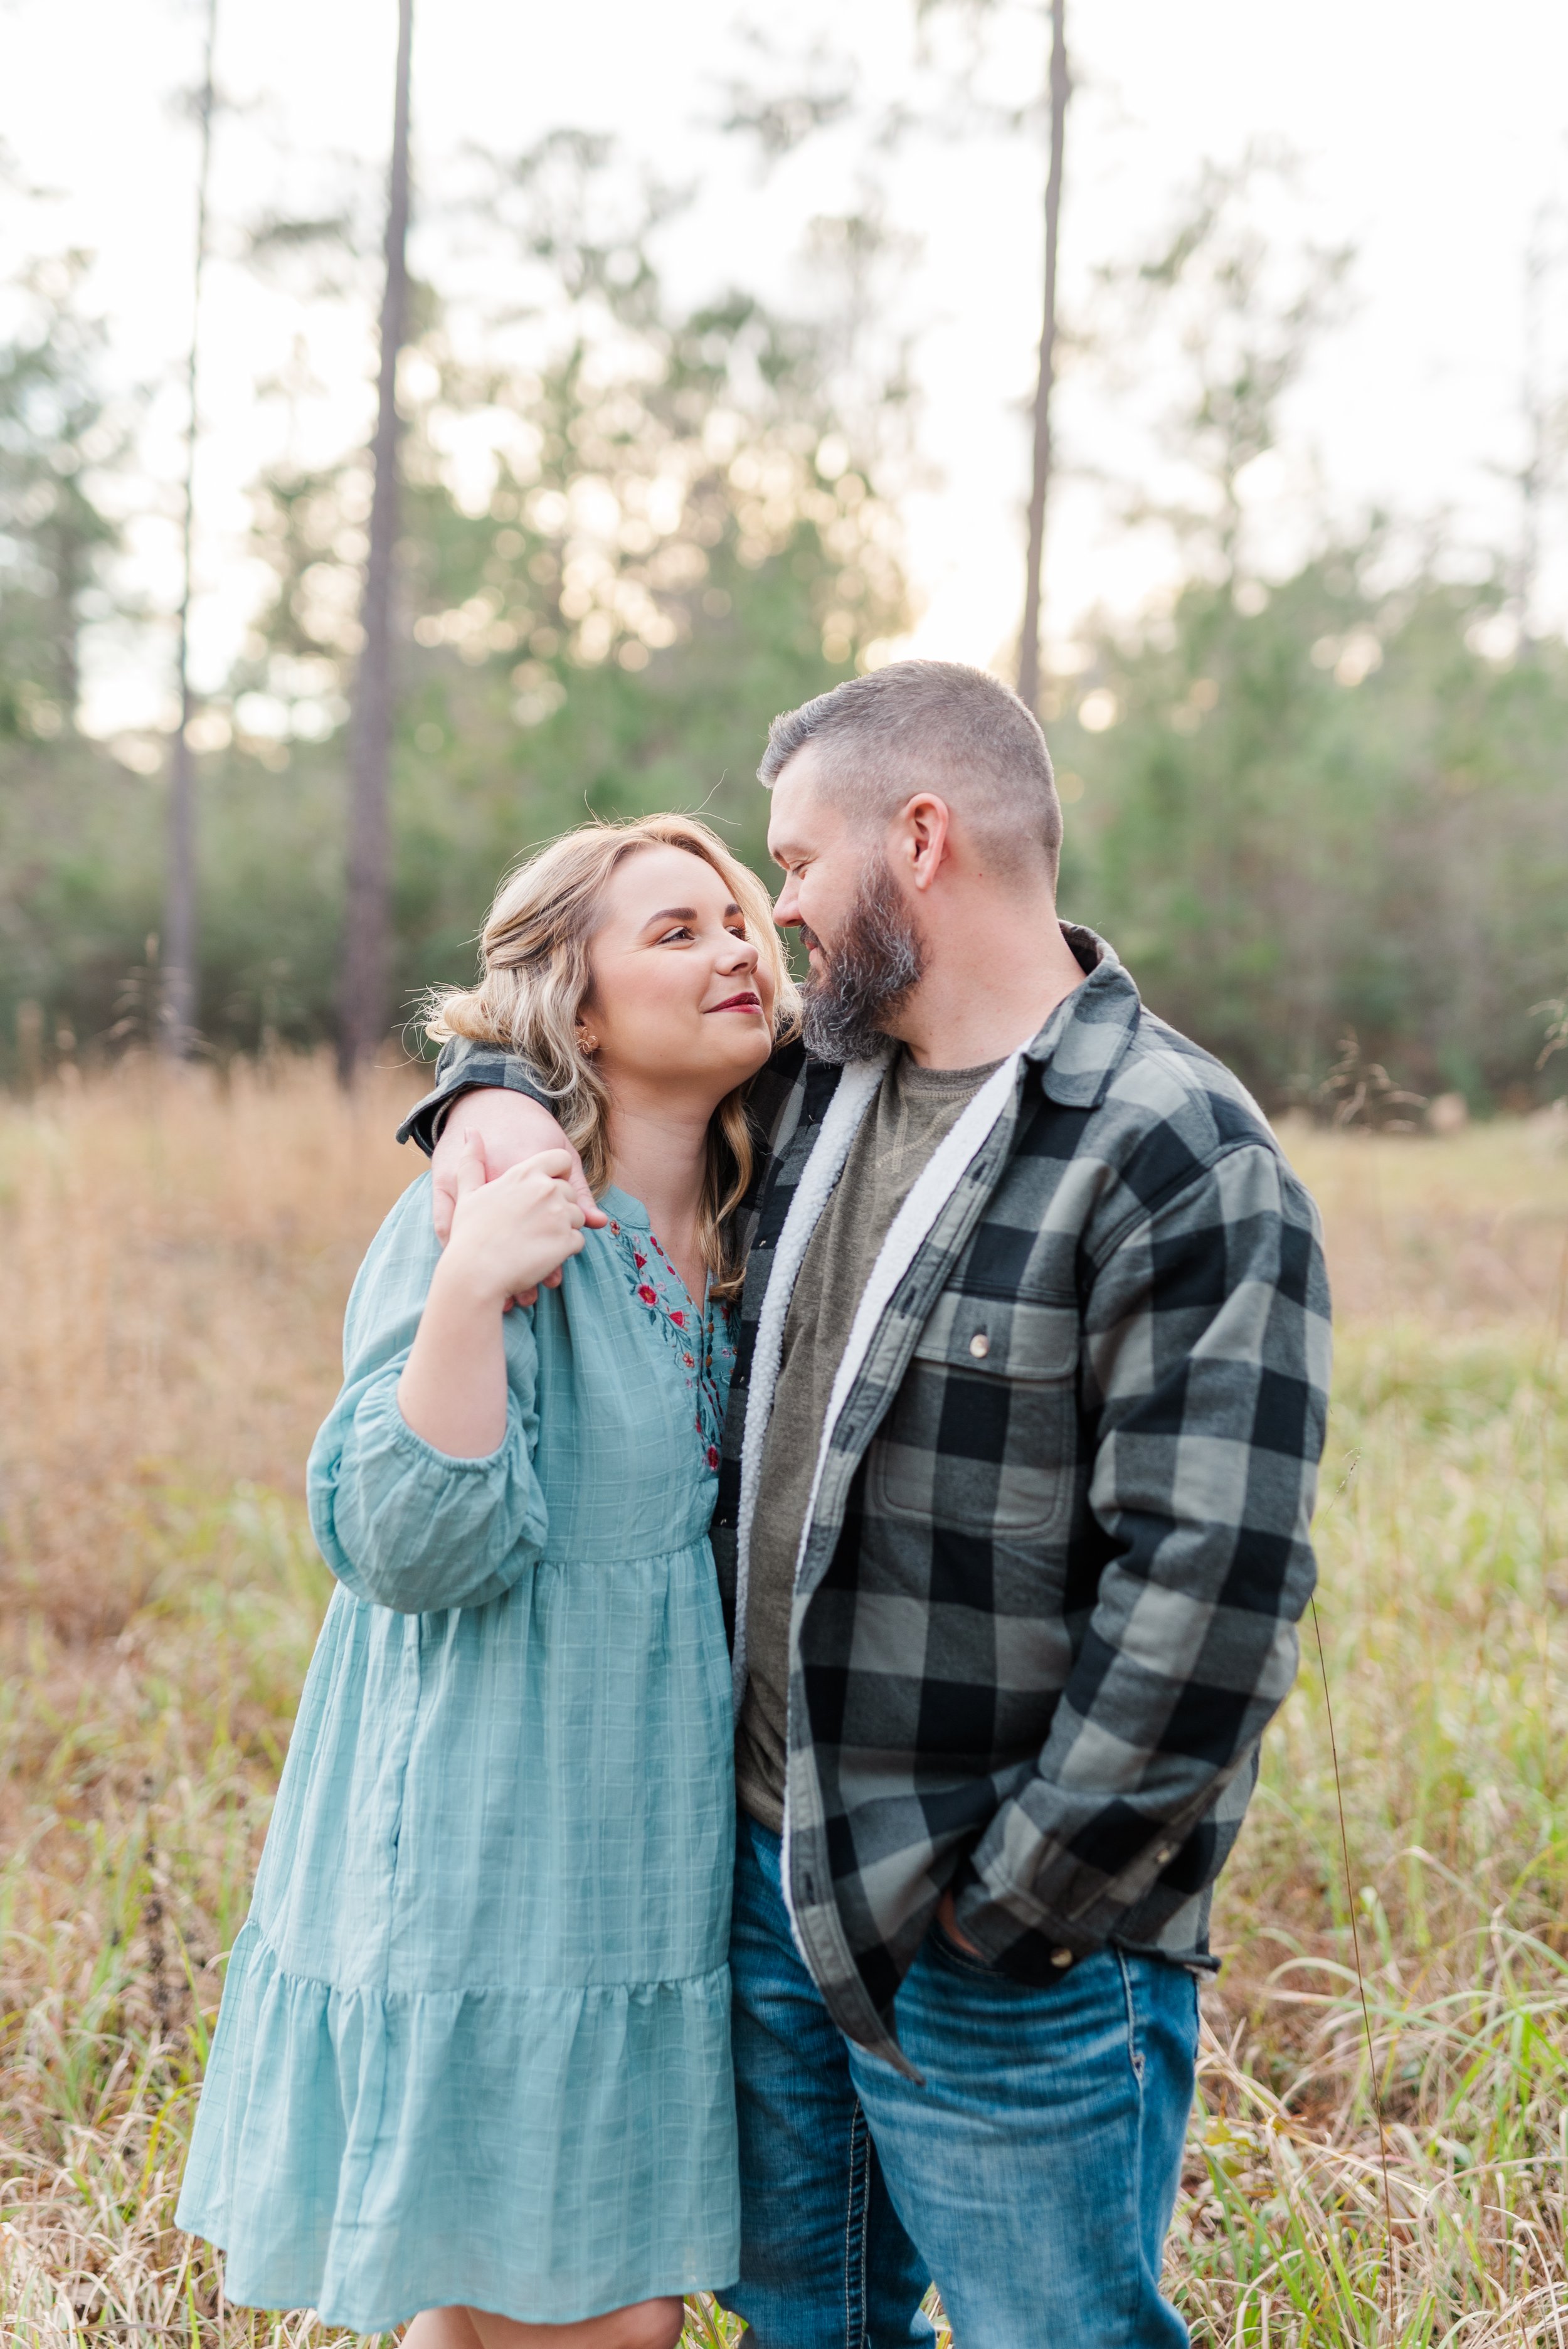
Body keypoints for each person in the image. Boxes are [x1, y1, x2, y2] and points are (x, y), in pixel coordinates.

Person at [403, 660, 1333, 2349]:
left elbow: (1217, 1588)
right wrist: (478, 1099)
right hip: (767, 1878)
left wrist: (1016, 1905)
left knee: (1056, 2331)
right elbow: (598, 1062)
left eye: (799, 866)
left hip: (1002, 1945)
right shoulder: (817, 1086)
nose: (779, 921)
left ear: (919, 839)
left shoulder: (1171, 1149)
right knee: (805, 2326)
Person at [177, 814, 800, 2348]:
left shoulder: (758, 1216)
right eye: (673, 930)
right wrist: (469, 1287)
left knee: (545, 2315)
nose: (733, 945)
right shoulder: (482, 1213)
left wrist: (484, 1090)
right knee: (587, 2318)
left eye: (736, 919)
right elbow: (401, 1543)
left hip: (645, 1861)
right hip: (484, 1840)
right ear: (574, 1011)